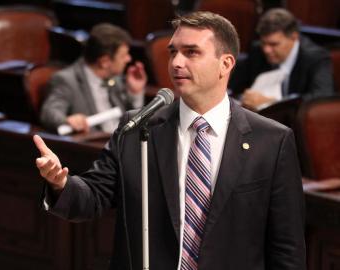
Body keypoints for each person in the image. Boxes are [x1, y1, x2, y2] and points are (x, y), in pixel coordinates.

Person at [34, 11, 306, 270]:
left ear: (226, 64)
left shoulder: (271, 141)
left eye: (191, 52)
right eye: (173, 52)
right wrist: (61, 184)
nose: (176, 62)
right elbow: (94, 196)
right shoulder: (138, 127)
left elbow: (287, 248)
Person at [40, 23, 147, 133]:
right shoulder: (66, 80)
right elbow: (49, 112)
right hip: (96, 146)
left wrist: (135, 92)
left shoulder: (116, 79)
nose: (128, 59)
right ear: (104, 62)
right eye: (123, 55)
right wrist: (67, 120)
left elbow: (133, 121)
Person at [229, 8, 334, 110]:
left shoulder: (316, 58)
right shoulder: (257, 51)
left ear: (294, 37)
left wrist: (273, 103)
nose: (266, 50)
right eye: (263, 43)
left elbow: (322, 99)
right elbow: (233, 80)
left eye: (273, 44)